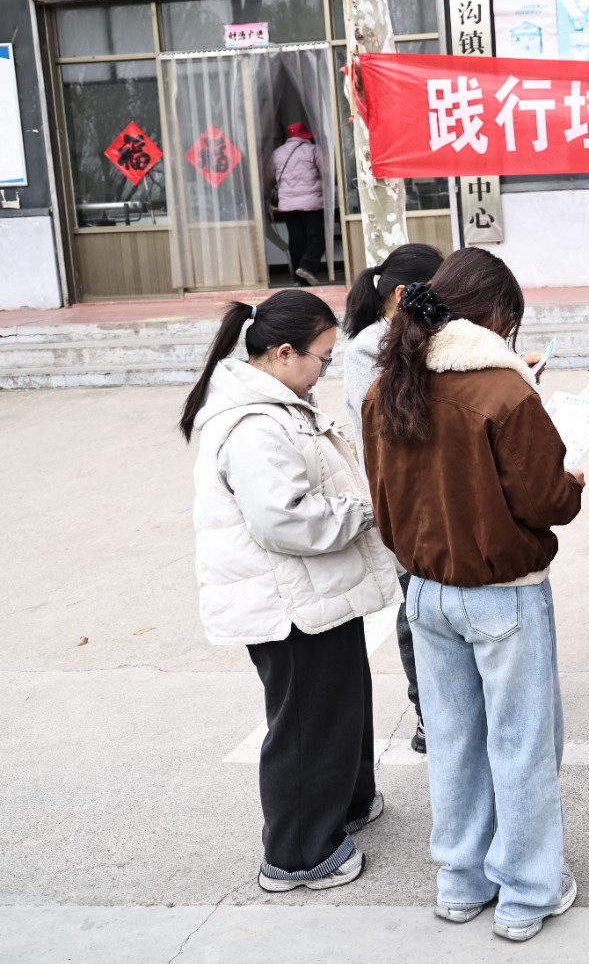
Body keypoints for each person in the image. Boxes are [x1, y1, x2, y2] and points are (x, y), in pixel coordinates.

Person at [363, 248, 585, 943]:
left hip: (426, 590)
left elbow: (383, 499)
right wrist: (572, 479)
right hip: (502, 594)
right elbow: (548, 501)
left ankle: (461, 881)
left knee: (454, 741)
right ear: (495, 317)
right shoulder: (505, 392)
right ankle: (527, 892)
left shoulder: (387, 384)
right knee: (521, 744)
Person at [179, 288, 399, 893]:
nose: (325, 370)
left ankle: (347, 806)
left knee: (340, 708)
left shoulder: (278, 404)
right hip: (287, 605)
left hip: (314, 594)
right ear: (283, 353)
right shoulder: (254, 424)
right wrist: (367, 512)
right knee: (307, 726)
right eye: (322, 358)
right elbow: (284, 520)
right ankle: (298, 855)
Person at [341, 241, 446, 754]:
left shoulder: (421, 333)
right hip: (401, 498)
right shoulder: (368, 347)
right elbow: (391, 425)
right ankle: (428, 713)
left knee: (436, 602)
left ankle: (449, 705)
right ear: (404, 294)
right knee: (417, 608)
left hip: (436, 490)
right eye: (439, 293)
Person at [271, 122, 326, 287]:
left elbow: (270, 176)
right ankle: (307, 267)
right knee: (317, 237)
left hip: (288, 204)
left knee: (296, 239)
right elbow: (326, 171)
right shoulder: (313, 150)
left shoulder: (277, 153)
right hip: (311, 202)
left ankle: (299, 280)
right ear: (304, 135)